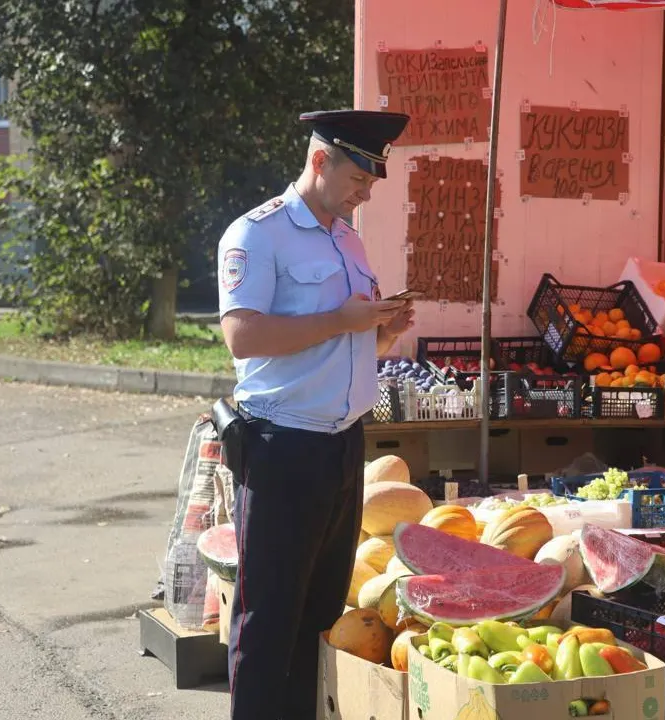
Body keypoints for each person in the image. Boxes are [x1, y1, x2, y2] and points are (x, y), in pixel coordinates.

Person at [215, 109, 415, 720]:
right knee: (268, 615)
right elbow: (241, 336)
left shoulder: (346, 237)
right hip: (282, 447)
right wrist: (344, 321)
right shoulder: (256, 234)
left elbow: (345, 346)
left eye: (374, 180)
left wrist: (383, 331)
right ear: (320, 161)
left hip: (342, 446)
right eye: (361, 176)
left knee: (322, 612)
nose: (368, 190)